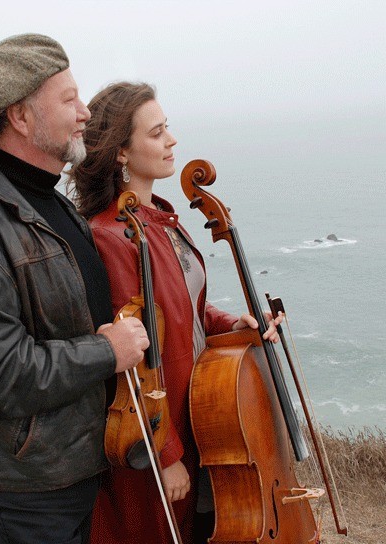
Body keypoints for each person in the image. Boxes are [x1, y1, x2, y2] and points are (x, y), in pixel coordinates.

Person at [0, 34, 150, 544]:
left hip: (70, 463)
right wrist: (105, 352)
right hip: (25, 485)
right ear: (20, 116)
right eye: (69, 100)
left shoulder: (49, 202)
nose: (85, 112)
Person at [70, 82, 282, 544]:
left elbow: (187, 310)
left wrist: (231, 323)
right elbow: (134, 359)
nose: (172, 142)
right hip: (156, 436)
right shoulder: (112, 236)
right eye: (157, 132)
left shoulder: (162, 218)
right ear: (121, 153)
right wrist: (164, 454)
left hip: (196, 421)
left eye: (168, 128)